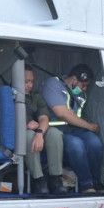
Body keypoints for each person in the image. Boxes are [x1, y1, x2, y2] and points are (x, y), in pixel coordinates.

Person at [41, 63, 104, 193]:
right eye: (83, 85)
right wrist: (89, 126)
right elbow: (62, 113)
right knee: (76, 145)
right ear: (74, 79)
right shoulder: (53, 84)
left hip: (75, 129)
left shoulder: (81, 96)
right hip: (55, 131)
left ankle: (96, 181)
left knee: (95, 143)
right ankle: (86, 184)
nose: (85, 89)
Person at [23, 65, 66, 194]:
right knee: (29, 135)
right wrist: (24, 124)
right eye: (26, 82)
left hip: (37, 130)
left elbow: (44, 118)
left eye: (31, 81)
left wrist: (40, 133)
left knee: (54, 133)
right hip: (20, 133)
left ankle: (55, 178)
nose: (30, 85)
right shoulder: (8, 94)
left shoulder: (36, 96)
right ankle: (38, 179)